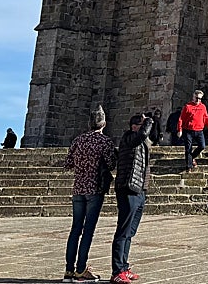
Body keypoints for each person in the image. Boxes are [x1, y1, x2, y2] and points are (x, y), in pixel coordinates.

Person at [63, 105, 116, 283]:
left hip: (78, 188)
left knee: (75, 229)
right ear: (104, 123)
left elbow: (68, 163)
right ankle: (80, 269)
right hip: (95, 190)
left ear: (89, 123)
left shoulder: (78, 140)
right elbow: (110, 164)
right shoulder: (105, 142)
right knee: (88, 231)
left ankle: (68, 270)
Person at [111, 113, 153, 284]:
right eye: (141, 124)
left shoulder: (142, 142)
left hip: (139, 190)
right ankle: (117, 271)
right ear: (134, 126)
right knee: (123, 231)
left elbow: (150, 135)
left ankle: (124, 267)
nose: (145, 128)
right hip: (128, 189)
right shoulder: (129, 138)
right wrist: (148, 120)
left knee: (130, 232)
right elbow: (144, 133)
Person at [176, 91, 208, 171]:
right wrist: (180, 130)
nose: (198, 100)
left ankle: (191, 157)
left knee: (202, 146)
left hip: (199, 130)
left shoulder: (203, 107)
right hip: (188, 130)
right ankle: (189, 166)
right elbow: (181, 119)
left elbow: (206, 117)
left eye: (200, 99)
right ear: (193, 97)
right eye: (197, 98)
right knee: (188, 148)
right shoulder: (187, 106)